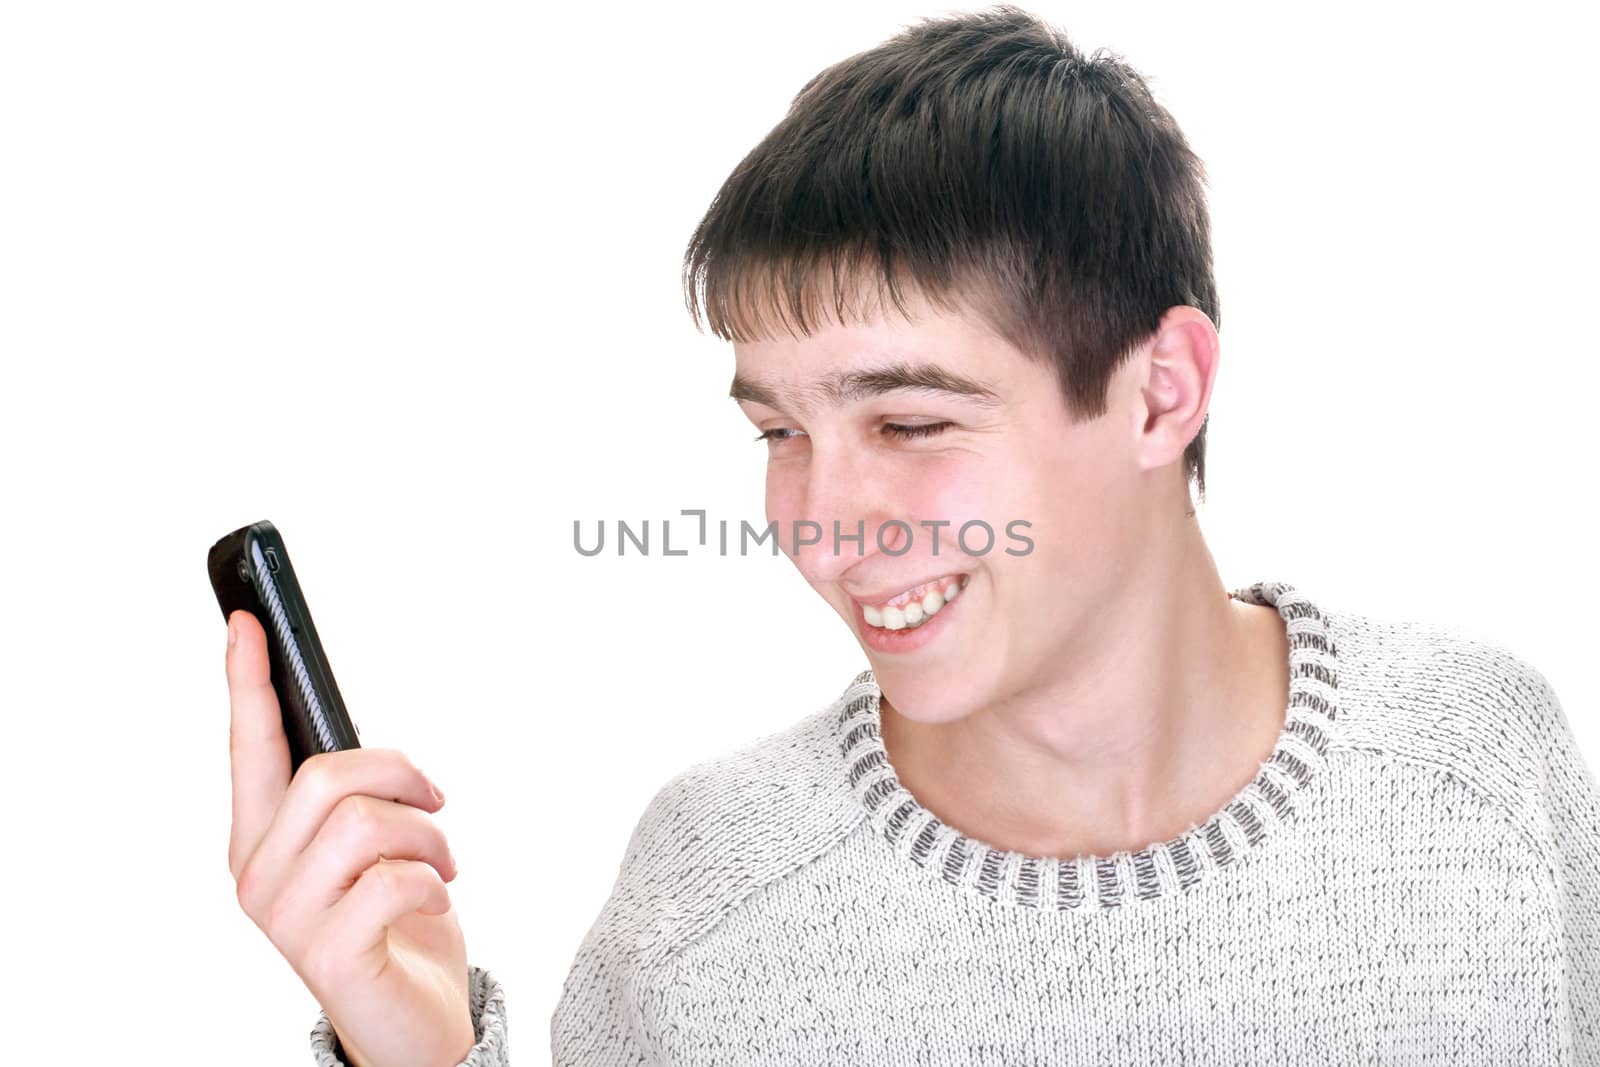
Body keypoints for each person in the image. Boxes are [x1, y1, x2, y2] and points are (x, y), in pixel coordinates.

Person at [225, 5, 1597, 1065]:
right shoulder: (715, 899)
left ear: (1160, 391)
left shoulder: (1477, 765)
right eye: (779, 434)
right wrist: (414, 1052)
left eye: (914, 424)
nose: (824, 526)